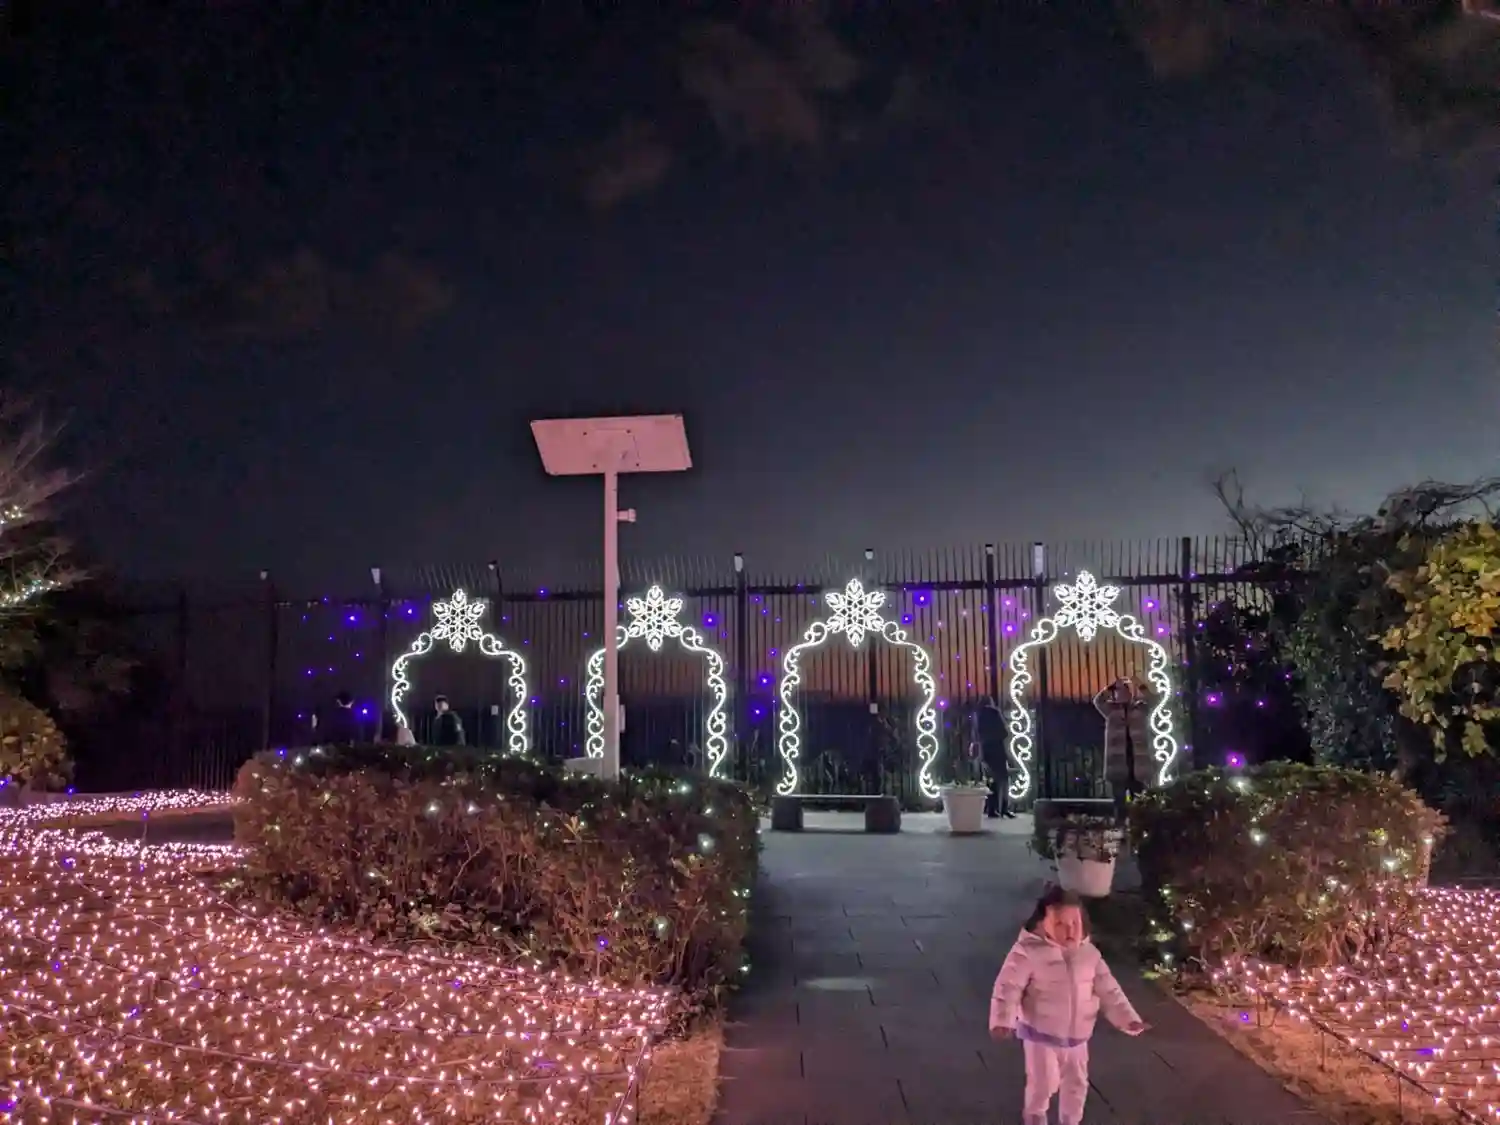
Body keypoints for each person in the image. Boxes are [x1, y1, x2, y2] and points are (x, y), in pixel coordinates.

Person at [989, 886, 1148, 1125]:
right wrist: (1002, 1020)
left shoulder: (1090, 955)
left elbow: (1110, 990)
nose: (1070, 930)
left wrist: (1128, 1019)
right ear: (1043, 923)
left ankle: (1071, 1120)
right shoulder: (1028, 952)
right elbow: (1008, 987)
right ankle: (1035, 1115)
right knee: (1043, 1082)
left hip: (1078, 1037)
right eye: (1060, 924)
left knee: (1077, 1084)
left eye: (1075, 923)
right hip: (1040, 1033)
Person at [1093, 677, 1148, 817]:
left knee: (1139, 801)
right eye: (1118, 691)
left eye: (1124, 691)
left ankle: (1137, 824)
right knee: (1119, 801)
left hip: (1136, 762)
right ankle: (1121, 824)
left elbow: (1155, 700)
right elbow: (1097, 701)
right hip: (1118, 764)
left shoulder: (1139, 708)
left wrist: (1139, 685)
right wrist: (1109, 688)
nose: (1122, 694)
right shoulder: (1110, 710)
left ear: (1130, 693)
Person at [975, 696, 1014, 818]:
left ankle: (992, 808)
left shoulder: (978, 716)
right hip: (997, 749)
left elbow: (976, 735)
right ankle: (1004, 808)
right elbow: (1004, 732)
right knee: (1003, 779)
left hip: (985, 750)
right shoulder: (995, 713)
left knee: (991, 780)